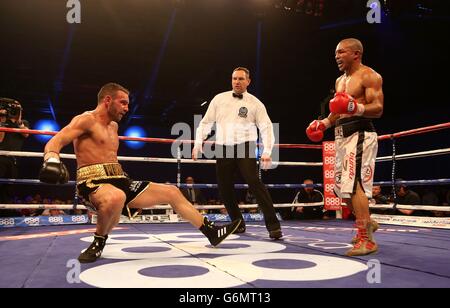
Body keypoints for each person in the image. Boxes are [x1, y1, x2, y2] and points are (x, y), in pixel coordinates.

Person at [39, 82, 241, 263]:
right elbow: (55, 141)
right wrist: (52, 159)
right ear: (107, 100)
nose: (127, 108)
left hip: (119, 179)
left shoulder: (114, 126)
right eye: (123, 103)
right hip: (93, 182)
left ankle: (211, 232)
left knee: (171, 192)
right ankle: (98, 242)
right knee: (116, 197)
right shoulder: (85, 120)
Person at [306, 38, 384, 256]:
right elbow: (338, 110)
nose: (337, 56)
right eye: (336, 53)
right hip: (341, 137)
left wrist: (354, 106)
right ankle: (367, 222)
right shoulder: (340, 81)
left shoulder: (369, 75)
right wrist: (324, 123)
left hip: (360, 134)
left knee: (355, 185)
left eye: (341, 52)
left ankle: (367, 240)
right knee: (340, 189)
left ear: (356, 54)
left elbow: (378, 108)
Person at [192, 67, 282, 239]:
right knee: (224, 186)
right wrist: (198, 143)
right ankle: (238, 223)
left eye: (241, 79)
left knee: (254, 182)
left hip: (245, 145)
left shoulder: (255, 103)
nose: (237, 82)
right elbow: (205, 123)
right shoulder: (219, 99)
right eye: (234, 78)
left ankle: (273, 225)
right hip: (223, 146)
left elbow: (266, 127)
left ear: (248, 81)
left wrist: (267, 150)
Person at [0, 98, 29, 213]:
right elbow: (0, 140)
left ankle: (4, 213)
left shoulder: (23, 123)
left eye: (17, 110)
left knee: (8, 188)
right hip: (1, 157)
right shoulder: (2, 121)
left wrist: (19, 121)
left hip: (14, 160)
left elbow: (26, 134)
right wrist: (2, 121)